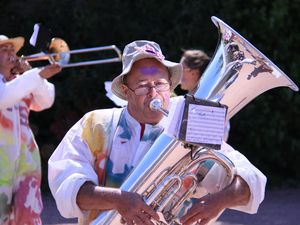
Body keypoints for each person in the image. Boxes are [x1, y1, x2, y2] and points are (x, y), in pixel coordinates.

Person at [48, 40, 266, 225]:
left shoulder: (190, 127)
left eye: (160, 85)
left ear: (170, 85)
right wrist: (119, 200)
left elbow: (251, 179)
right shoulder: (95, 123)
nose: (154, 94)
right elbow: (67, 186)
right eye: (143, 86)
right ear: (125, 91)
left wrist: (217, 202)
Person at [0, 34, 62, 224]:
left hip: (27, 159)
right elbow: (4, 97)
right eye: (5, 50)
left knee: (29, 214)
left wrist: (33, 74)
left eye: (13, 50)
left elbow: (46, 100)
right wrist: (36, 75)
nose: (12, 54)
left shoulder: (22, 80)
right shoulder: (22, 82)